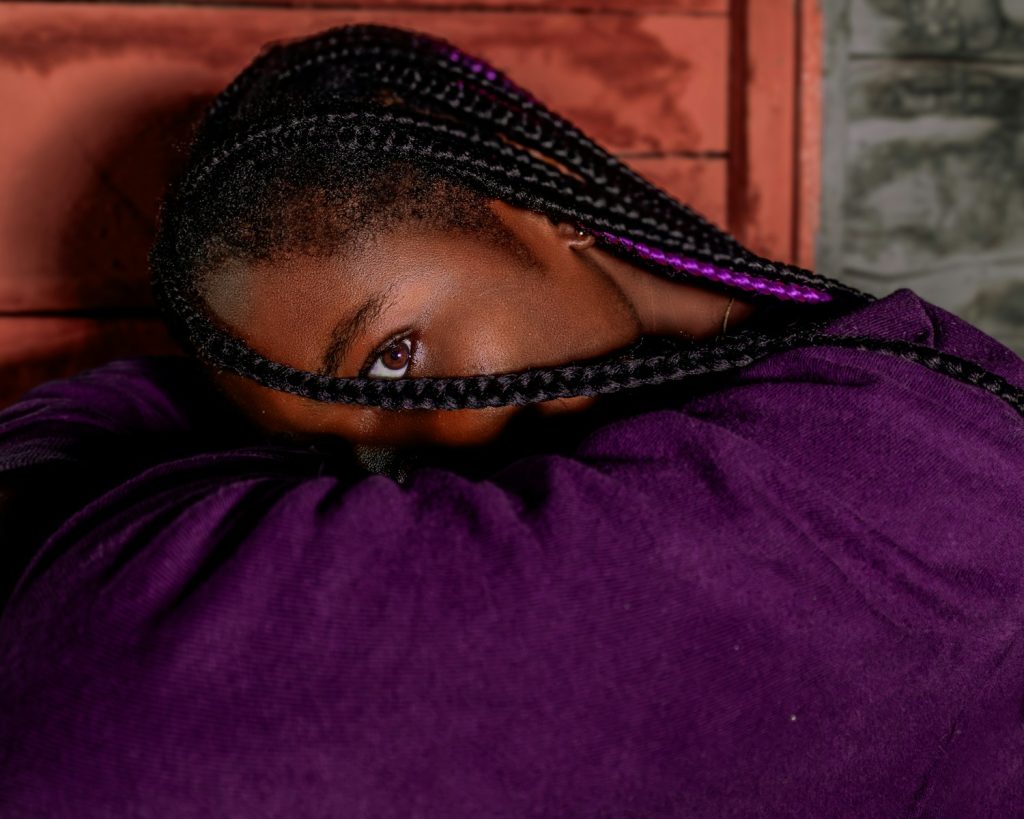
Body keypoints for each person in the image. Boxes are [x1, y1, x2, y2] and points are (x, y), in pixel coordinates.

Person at [0, 23, 1021, 818]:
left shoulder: (889, 484)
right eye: (338, 442)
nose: (407, 454)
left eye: (396, 357)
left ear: (552, 201)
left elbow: (120, 716)